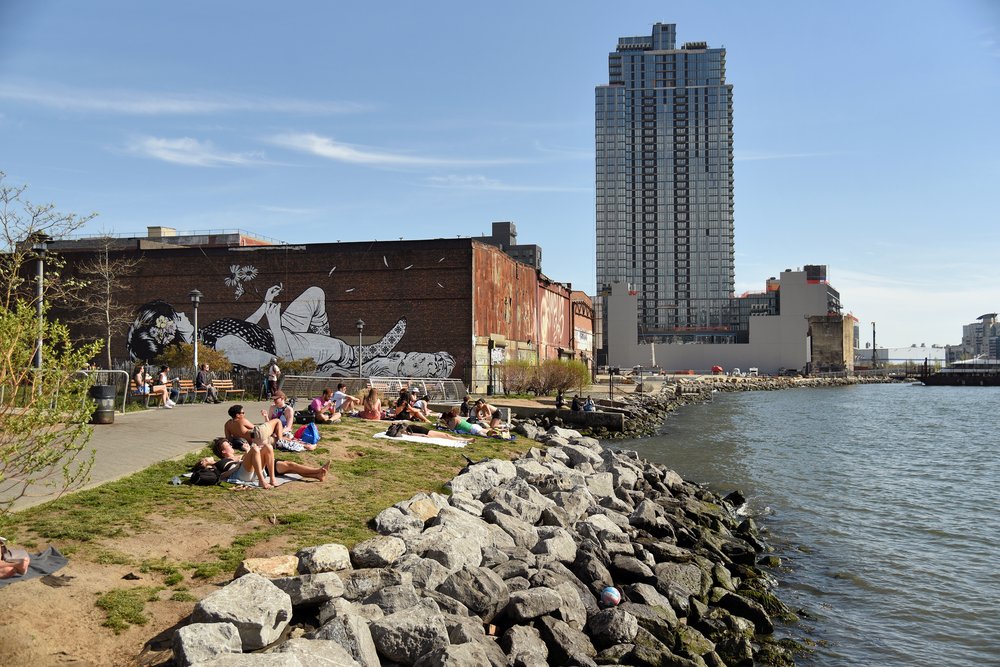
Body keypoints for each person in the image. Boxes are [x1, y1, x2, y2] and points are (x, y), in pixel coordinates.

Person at [196, 437, 328, 490]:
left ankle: (317, 473)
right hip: (242, 474)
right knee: (255, 448)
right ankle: (261, 481)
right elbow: (222, 476)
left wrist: (247, 452)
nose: (231, 445)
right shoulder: (219, 463)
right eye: (228, 445)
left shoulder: (239, 454)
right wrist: (237, 464)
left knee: (268, 447)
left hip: (254, 467)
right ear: (224, 451)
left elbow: (252, 454)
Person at [385, 423, 472, 444]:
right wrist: (423, 436)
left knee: (447, 436)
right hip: (428, 433)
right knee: (446, 436)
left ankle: (464, 439)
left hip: (427, 432)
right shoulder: (405, 431)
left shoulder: (405, 428)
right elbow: (412, 435)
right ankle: (465, 440)